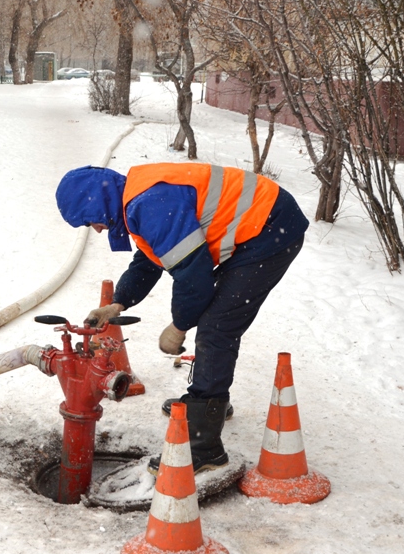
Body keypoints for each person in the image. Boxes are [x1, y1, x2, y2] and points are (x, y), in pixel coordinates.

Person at [55, 162, 308, 473]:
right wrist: (118, 303)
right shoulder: (137, 197)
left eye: (89, 221)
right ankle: (207, 405)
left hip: (269, 230)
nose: (95, 229)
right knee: (216, 319)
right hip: (261, 220)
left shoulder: (149, 206)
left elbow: (194, 277)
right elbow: (150, 260)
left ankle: (204, 446)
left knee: (217, 327)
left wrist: (178, 326)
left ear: (97, 202)